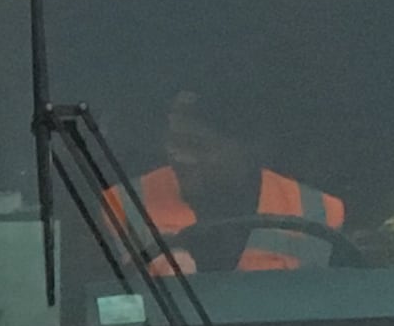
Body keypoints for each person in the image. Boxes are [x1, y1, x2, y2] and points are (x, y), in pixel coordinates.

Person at [108, 87, 350, 274]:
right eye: (174, 142)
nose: (178, 157)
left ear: (251, 149)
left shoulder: (320, 211)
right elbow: (95, 306)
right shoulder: (123, 202)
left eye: (197, 146)